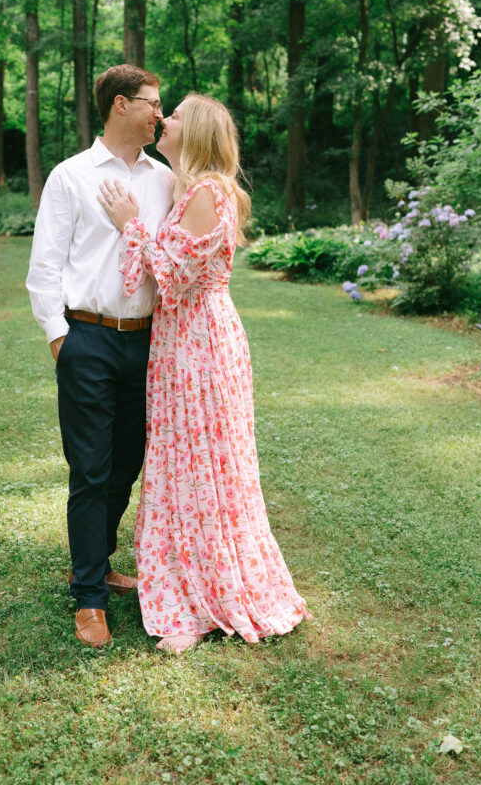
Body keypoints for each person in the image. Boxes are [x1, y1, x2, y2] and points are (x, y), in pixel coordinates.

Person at [98, 93, 312, 653]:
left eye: (175, 116)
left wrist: (129, 225)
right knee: (183, 460)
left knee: (202, 463)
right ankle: (185, 584)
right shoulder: (188, 189)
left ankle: (202, 599)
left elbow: (173, 274)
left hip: (198, 342)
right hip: (180, 339)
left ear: (194, 134)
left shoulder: (208, 192)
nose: (163, 119)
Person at [26, 64, 174, 649]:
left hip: (147, 341)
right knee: (90, 468)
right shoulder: (71, 176)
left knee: (129, 460)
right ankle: (88, 597)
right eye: (152, 103)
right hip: (86, 338)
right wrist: (62, 339)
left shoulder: (163, 180)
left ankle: (95, 561)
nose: (159, 114)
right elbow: (44, 269)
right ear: (120, 104)